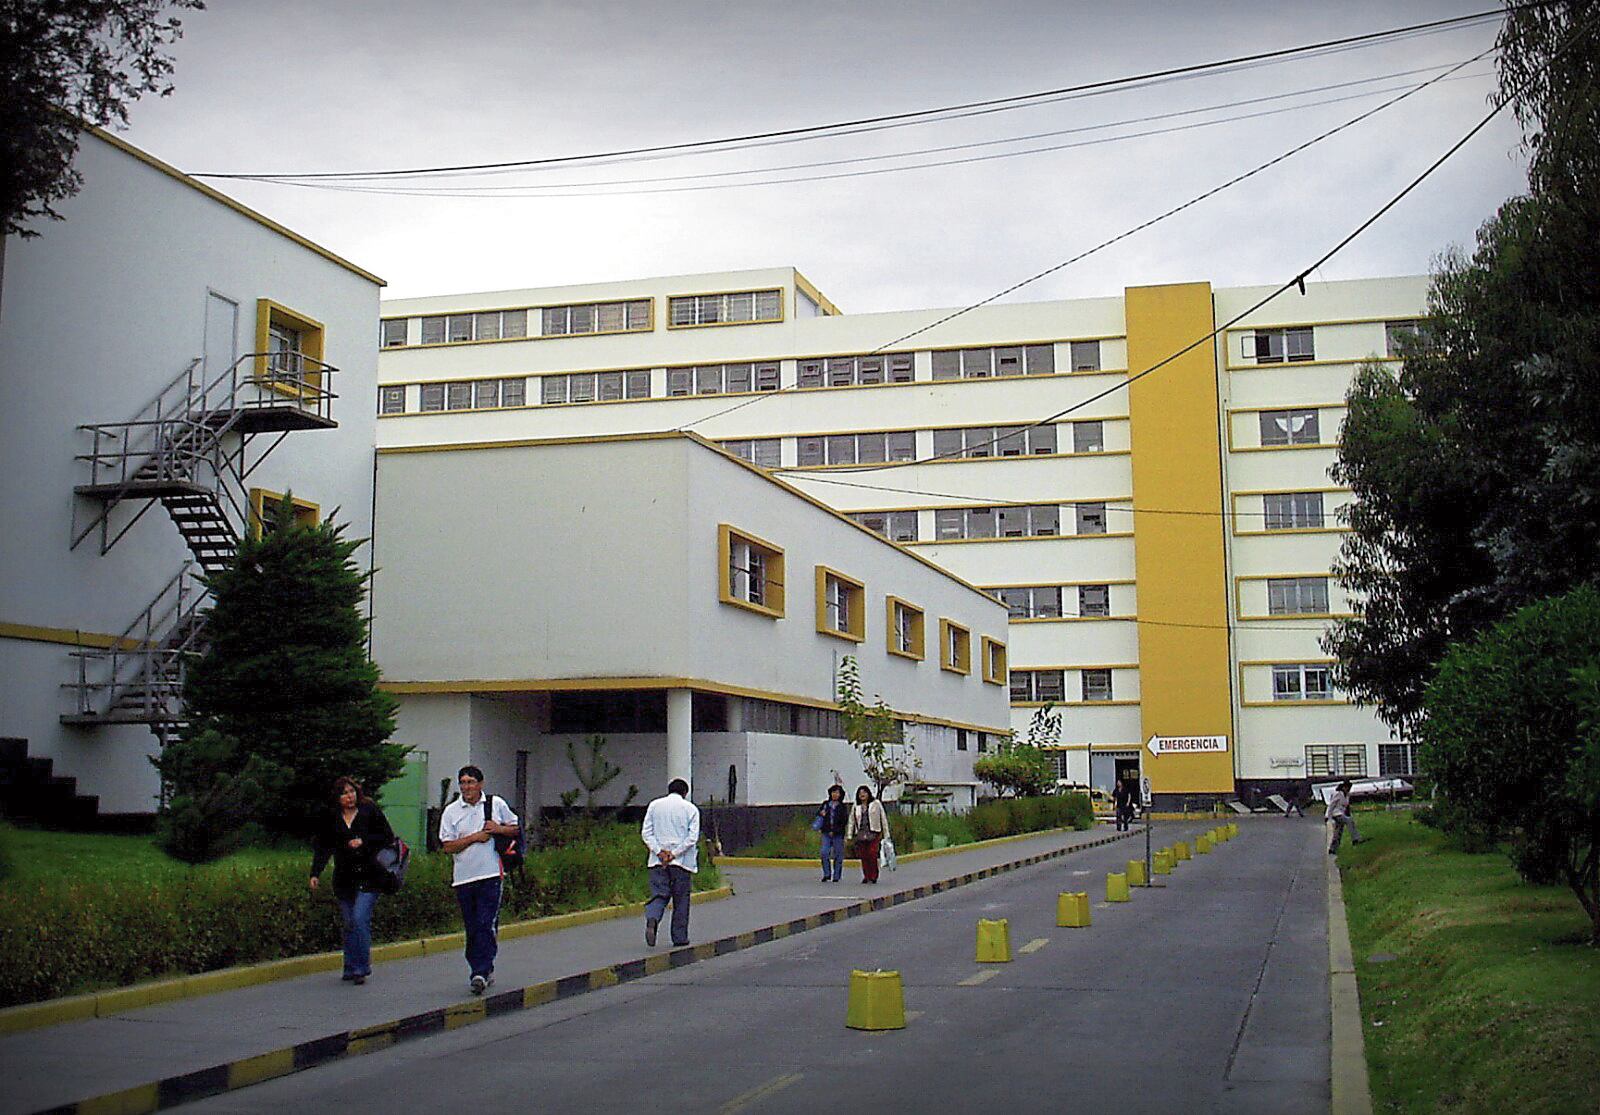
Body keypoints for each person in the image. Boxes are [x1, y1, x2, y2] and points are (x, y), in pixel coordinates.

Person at [437, 765, 520, 994]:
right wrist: (475, 837)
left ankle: (480, 972)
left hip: (491, 874)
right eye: (463, 782)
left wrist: (498, 829)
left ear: (480, 784)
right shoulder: (452, 812)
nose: (467, 787)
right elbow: (448, 846)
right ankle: (480, 966)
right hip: (464, 877)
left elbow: (515, 828)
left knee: (485, 923)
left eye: (471, 782)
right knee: (473, 927)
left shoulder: (495, 804)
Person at [309, 776, 396, 986]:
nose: (349, 797)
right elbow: (323, 847)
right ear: (337, 798)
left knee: (359, 918)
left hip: (370, 875)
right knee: (349, 923)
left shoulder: (370, 811)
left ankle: (361, 967)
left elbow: (387, 837)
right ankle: (349, 966)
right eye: (344, 793)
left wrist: (364, 842)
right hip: (344, 877)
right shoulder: (331, 817)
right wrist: (315, 873)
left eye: (351, 792)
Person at [642, 778, 701, 948]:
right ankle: (679, 937)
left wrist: (659, 851)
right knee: (681, 899)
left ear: (669, 790)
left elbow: (646, 833)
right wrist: (673, 854)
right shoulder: (691, 809)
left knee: (659, 895)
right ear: (685, 793)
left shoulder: (654, 805)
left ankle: (652, 919)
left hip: (657, 862)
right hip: (681, 863)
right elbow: (692, 838)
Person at [845, 785, 888, 884]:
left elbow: (883, 818)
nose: (862, 795)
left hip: (873, 833)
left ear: (868, 793)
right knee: (864, 856)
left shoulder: (876, 804)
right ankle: (866, 876)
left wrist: (886, 834)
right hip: (861, 833)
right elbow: (851, 820)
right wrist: (849, 835)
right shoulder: (856, 806)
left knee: (872, 854)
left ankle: (874, 875)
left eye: (864, 792)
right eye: (860, 793)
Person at [815, 784, 849, 883]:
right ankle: (827, 873)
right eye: (833, 792)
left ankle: (837, 875)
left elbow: (844, 820)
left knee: (838, 855)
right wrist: (821, 814)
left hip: (838, 834)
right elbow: (818, 814)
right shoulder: (826, 804)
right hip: (826, 833)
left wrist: (836, 830)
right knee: (824, 852)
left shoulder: (842, 807)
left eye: (837, 793)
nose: (835, 794)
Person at [1327, 779, 1361, 853]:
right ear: (1343, 787)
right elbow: (1331, 805)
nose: (1348, 789)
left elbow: (1346, 807)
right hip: (1336, 814)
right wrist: (1328, 816)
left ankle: (1333, 849)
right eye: (1347, 788)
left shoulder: (1347, 795)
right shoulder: (1338, 794)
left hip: (1342, 813)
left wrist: (1348, 813)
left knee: (1338, 831)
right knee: (1349, 821)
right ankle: (1355, 838)